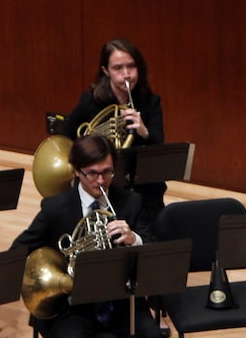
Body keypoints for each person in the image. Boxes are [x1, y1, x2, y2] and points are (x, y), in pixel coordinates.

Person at [12, 134, 161, 338]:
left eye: (107, 172)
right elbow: (18, 250)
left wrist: (133, 238)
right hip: (73, 307)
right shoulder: (55, 208)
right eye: (92, 173)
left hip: (121, 302)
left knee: (152, 335)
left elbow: (154, 251)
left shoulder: (131, 202)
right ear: (76, 171)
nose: (101, 181)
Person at [61, 38, 167, 229]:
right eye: (118, 68)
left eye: (131, 66)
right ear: (105, 71)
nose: (126, 74)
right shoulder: (91, 102)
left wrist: (143, 131)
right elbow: (67, 138)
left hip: (145, 190)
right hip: (105, 187)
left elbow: (159, 146)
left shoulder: (150, 102)